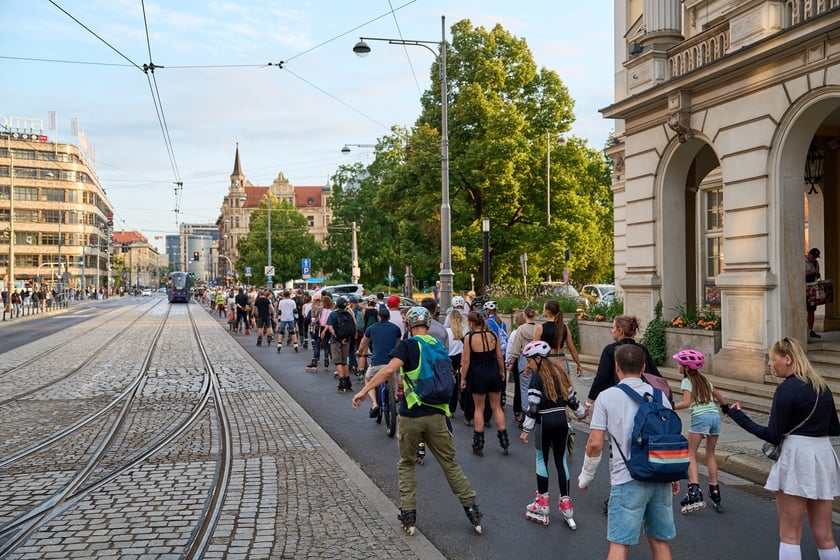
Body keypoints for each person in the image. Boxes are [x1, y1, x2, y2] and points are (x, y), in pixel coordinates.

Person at [351, 306, 484, 536]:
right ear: (429, 322)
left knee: (406, 463)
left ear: (408, 326)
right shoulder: (437, 345)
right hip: (438, 415)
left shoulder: (408, 345)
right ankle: (472, 509)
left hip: (412, 414)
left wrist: (365, 390)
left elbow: (389, 370)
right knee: (450, 463)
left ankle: (409, 514)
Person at [724, 337, 840, 560]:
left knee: (790, 534)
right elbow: (834, 427)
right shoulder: (821, 386)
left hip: (798, 455)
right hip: (823, 455)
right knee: (825, 535)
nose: (769, 363)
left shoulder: (786, 389)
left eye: (772, 358)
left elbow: (772, 435)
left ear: (787, 359)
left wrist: (738, 416)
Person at [578, 344, 680, 560]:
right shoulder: (660, 396)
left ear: (617, 367)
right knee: (660, 542)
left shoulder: (607, 397)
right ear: (643, 367)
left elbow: (595, 443)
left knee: (619, 545)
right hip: (660, 476)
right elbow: (669, 436)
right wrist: (671, 476)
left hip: (627, 478)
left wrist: (586, 477)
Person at [520, 340, 586, 529]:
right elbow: (572, 399)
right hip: (561, 422)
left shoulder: (536, 378)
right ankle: (567, 508)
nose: (529, 365)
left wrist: (526, 430)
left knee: (542, 459)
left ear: (539, 359)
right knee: (561, 461)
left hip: (544, 422)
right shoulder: (560, 373)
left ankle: (542, 504)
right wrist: (581, 413)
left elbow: (533, 408)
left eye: (530, 361)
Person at [671, 349, 727, 513]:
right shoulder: (704, 380)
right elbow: (718, 395)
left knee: (691, 453)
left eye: (679, 364)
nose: (678, 366)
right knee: (710, 454)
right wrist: (725, 407)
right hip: (715, 417)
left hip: (701, 418)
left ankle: (694, 490)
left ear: (686, 367)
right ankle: (715, 490)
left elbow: (687, 403)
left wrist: (670, 406)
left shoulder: (687, 381)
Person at [585, 315, 663, 411]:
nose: (611, 331)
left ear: (620, 331)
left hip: (615, 398)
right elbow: (654, 375)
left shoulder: (610, 350)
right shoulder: (641, 349)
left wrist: (588, 402)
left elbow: (601, 378)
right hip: (641, 398)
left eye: (613, 328)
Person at [460, 311, 508, 456]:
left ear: (471, 323)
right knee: (496, 406)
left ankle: (478, 442)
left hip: (478, 373)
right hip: (493, 371)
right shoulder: (493, 335)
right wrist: (502, 371)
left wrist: (463, 378)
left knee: (479, 408)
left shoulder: (469, 338)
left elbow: (466, 360)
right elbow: (499, 356)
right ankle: (504, 438)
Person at [356, 307, 402, 416]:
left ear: (378, 317)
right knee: (392, 379)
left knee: (368, 379)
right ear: (389, 317)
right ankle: (393, 397)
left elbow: (364, 342)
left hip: (377, 362)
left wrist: (359, 352)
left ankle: (374, 404)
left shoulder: (372, 328)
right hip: (391, 363)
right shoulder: (395, 328)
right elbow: (399, 343)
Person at [533, 300, 583, 378]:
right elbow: (572, 349)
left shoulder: (540, 328)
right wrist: (578, 364)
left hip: (547, 361)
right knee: (564, 387)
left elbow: (535, 350)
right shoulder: (564, 327)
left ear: (547, 311)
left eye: (544, 309)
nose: (543, 311)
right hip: (562, 361)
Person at [506, 306, 537, 427]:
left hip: (524, 359)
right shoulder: (538, 329)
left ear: (524, 315)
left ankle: (525, 412)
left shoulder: (520, 330)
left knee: (524, 388)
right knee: (535, 388)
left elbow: (515, 348)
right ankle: (535, 412)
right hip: (536, 360)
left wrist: (511, 362)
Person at [325, 297, 354, 391]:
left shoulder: (333, 314)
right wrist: (345, 338)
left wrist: (337, 337)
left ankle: (342, 382)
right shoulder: (349, 314)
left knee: (338, 361)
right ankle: (348, 382)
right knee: (344, 361)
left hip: (336, 341)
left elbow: (330, 327)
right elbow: (353, 327)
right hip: (346, 340)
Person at [445, 307, 467, 417]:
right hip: (462, 358)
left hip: (450, 359)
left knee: (452, 384)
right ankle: (464, 406)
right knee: (462, 383)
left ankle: (451, 409)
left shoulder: (447, 332)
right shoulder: (465, 331)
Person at [806, 248, 822, 339]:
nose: (813, 259)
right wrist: (806, 273)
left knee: (811, 311)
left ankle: (811, 330)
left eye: (815, 258)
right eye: (812, 257)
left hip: (812, 289)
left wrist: (817, 274)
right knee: (803, 309)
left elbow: (817, 273)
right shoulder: (802, 261)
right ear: (808, 254)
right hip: (803, 288)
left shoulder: (816, 263)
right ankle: (803, 330)